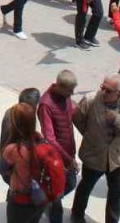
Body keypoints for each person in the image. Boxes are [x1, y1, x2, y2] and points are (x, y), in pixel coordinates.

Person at [70, 74, 120, 223]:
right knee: (85, 187)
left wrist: (117, 119)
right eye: (102, 87)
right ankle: (77, 216)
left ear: (119, 92)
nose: (103, 92)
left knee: (115, 192)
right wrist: (90, 135)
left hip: (117, 157)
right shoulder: (90, 99)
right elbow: (78, 119)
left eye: (108, 90)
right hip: (94, 155)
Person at [0, 102, 65, 223]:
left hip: (20, 201)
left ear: (15, 124)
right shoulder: (41, 139)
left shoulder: (13, 150)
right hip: (40, 199)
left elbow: (1, 169)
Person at [37, 71, 79, 223]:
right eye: (70, 90)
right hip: (55, 158)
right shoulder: (46, 104)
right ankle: (49, 204)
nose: (72, 94)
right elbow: (50, 138)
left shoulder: (65, 97)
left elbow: (71, 114)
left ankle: (46, 201)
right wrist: (68, 160)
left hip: (68, 153)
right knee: (56, 197)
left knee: (70, 184)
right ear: (60, 86)